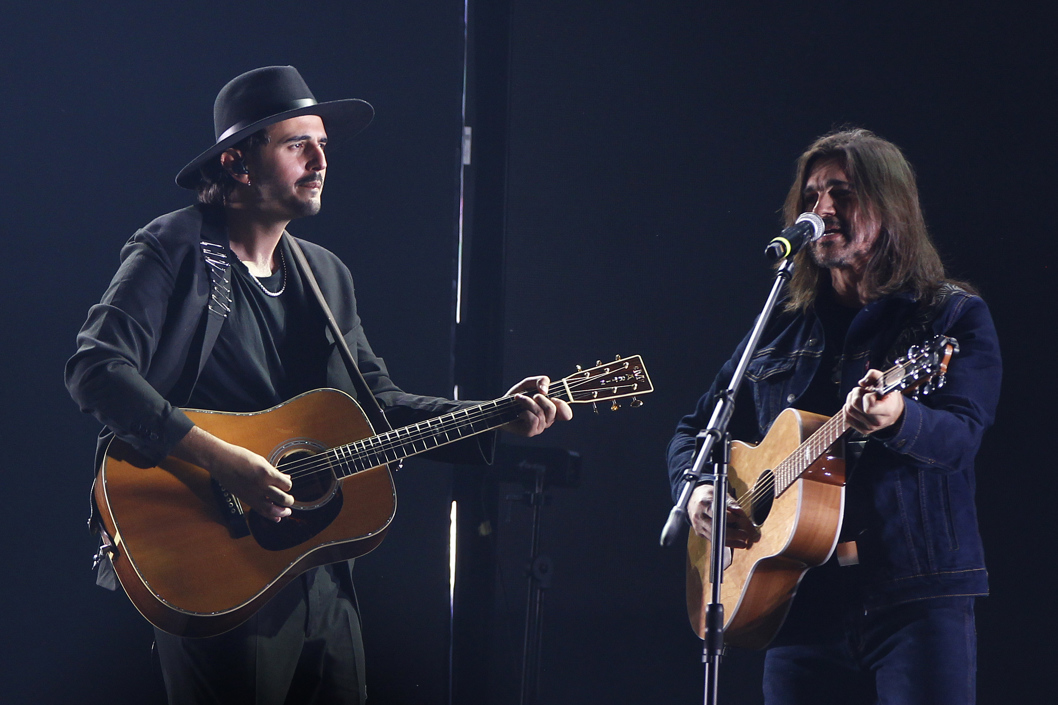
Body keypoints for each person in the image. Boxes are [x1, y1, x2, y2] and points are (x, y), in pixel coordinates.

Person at [66, 65, 571, 705]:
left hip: (321, 575)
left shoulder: (325, 276)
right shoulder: (176, 248)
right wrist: (223, 461)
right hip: (221, 564)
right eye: (296, 143)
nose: (320, 159)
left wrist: (496, 414)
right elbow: (96, 369)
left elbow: (377, 405)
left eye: (324, 144)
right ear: (238, 162)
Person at [667, 128, 1000, 704]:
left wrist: (897, 417)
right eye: (812, 194)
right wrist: (696, 489)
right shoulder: (779, 327)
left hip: (914, 599)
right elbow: (698, 429)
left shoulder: (951, 317)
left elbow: (961, 438)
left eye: (841, 193)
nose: (821, 210)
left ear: (889, 207)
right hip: (797, 603)